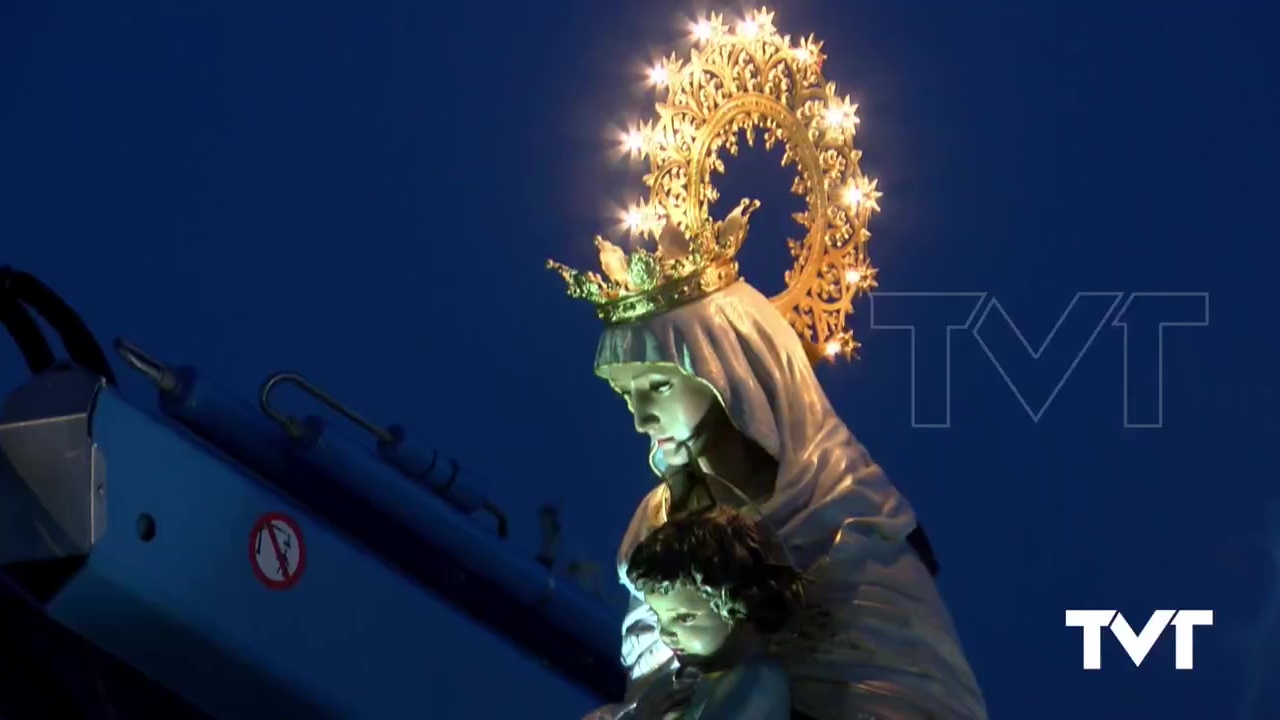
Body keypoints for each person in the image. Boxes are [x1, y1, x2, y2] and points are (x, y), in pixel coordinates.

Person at [578, 279, 989, 720]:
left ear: (729, 368)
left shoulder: (842, 509)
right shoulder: (657, 522)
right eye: (626, 395)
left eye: (658, 386)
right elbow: (653, 688)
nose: (640, 418)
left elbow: (914, 694)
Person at [619, 505, 803, 720]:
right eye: (659, 616)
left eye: (684, 617)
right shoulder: (680, 687)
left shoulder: (760, 681)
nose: (664, 633)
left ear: (736, 607)